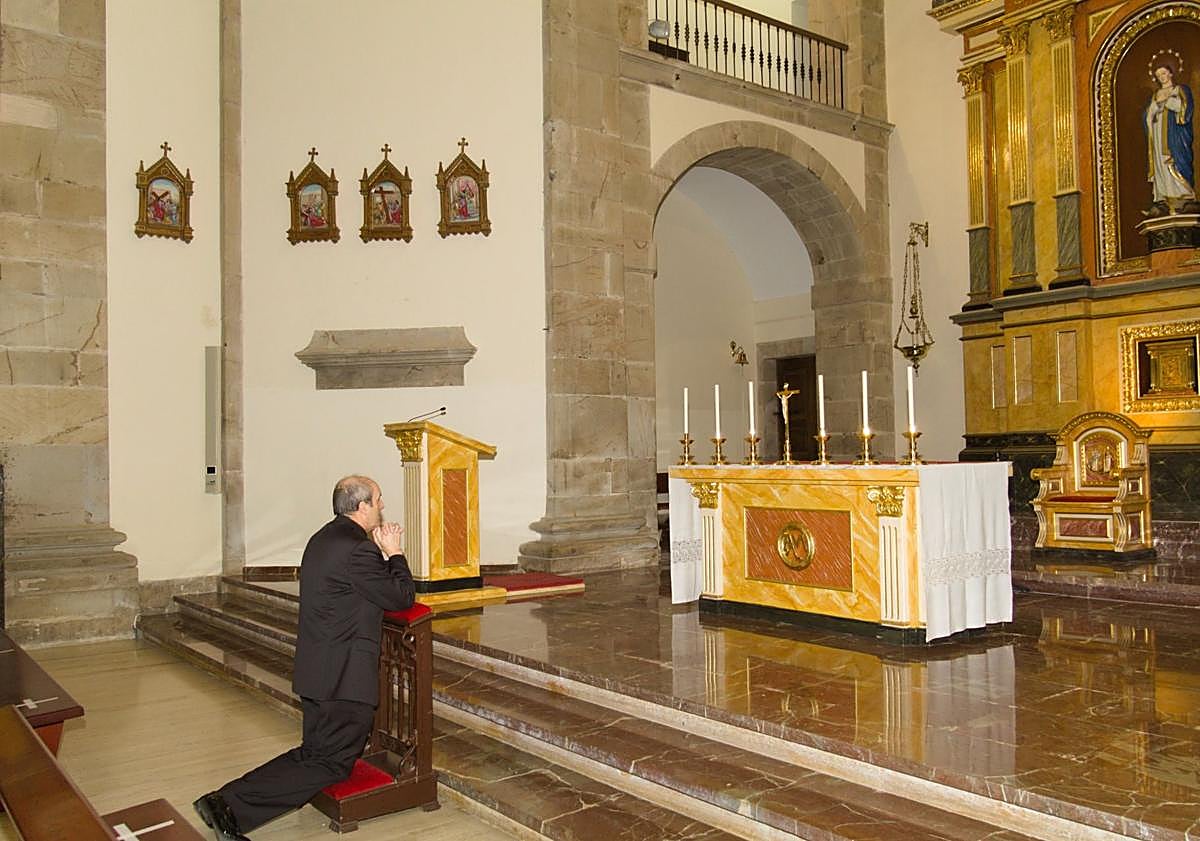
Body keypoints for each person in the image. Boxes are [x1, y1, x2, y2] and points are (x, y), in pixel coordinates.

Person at [193, 475, 415, 841]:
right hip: (343, 678)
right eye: (378, 500)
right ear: (361, 506)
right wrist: (394, 552)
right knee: (327, 761)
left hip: (320, 670)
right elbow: (401, 597)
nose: (382, 506)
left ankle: (226, 805)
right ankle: (225, 805)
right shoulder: (358, 549)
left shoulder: (324, 538)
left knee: (316, 756)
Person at [1145, 60, 1195, 214]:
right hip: (1158, 136)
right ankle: (1163, 199)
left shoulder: (1179, 89)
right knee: (1161, 164)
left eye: (1164, 73)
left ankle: (1182, 196)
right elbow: (1147, 117)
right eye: (1159, 75)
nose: (1162, 77)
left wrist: (1167, 102)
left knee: (1174, 162)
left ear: (1171, 73)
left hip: (1175, 137)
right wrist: (1151, 112)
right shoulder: (1155, 95)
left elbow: (1185, 110)